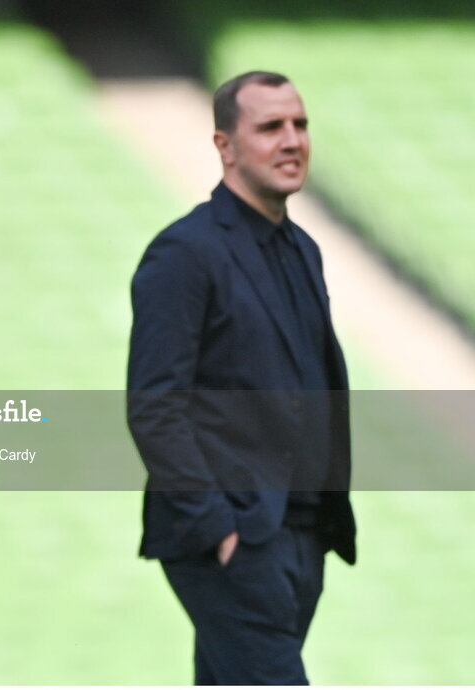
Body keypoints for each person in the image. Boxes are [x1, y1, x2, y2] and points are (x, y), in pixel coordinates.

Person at [126, 71, 356, 685]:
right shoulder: (184, 253)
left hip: (303, 536)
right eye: (270, 127)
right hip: (232, 540)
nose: (292, 140)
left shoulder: (304, 248)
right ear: (225, 145)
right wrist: (217, 528)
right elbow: (154, 406)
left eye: (300, 125)